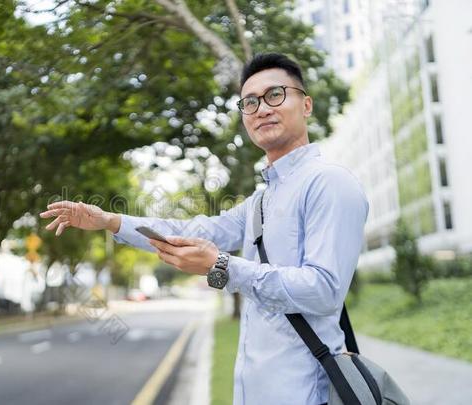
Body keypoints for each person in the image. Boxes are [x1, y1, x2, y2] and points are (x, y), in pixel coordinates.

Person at [40, 53, 368, 405]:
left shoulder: (329, 183)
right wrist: (112, 221)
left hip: (309, 395)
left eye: (275, 94)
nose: (261, 108)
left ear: (306, 105)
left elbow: (324, 289)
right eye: (250, 102)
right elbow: (193, 229)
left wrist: (223, 267)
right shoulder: (260, 202)